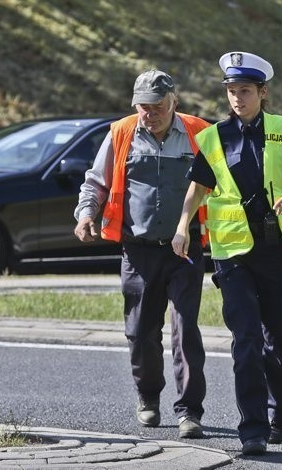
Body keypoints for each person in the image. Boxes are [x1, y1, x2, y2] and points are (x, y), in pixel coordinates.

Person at [172, 51, 282, 456]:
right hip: (233, 253)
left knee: (279, 339)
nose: (237, 98)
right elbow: (197, 189)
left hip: (278, 250)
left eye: (245, 91)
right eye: (232, 91)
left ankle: (281, 414)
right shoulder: (213, 137)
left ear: (262, 92)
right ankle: (252, 429)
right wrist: (182, 225)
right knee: (246, 340)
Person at [73, 69, 210, 438]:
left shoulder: (199, 132)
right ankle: (148, 397)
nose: (150, 113)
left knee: (185, 331)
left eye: (158, 106)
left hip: (186, 249)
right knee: (140, 332)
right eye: (143, 106)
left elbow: (220, 185)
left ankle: (189, 411)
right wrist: (87, 214)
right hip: (138, 250)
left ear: (174, 102)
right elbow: (96, 182)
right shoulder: (120, 133)